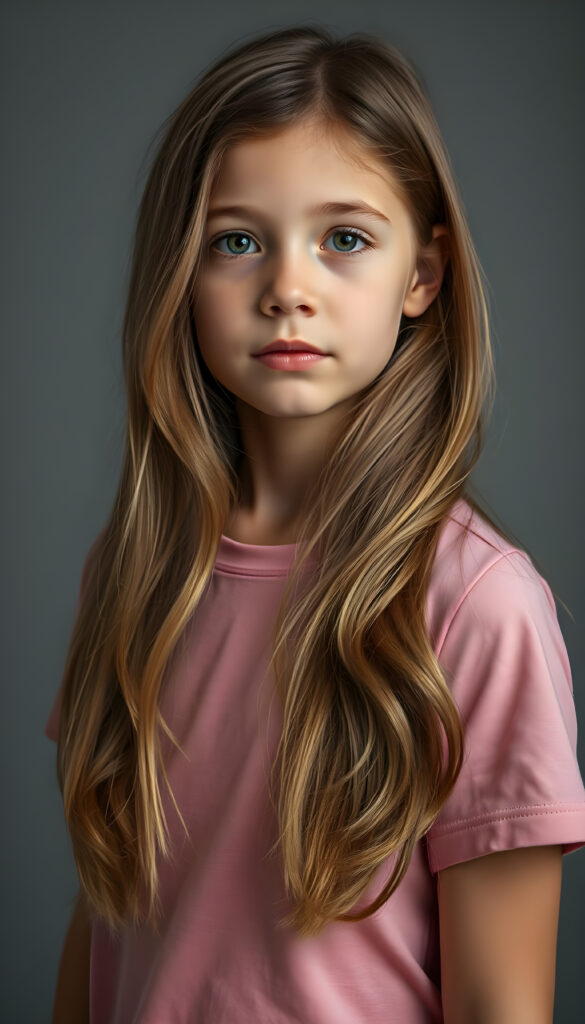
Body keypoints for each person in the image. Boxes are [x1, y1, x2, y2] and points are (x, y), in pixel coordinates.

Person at [45, 24, 585, 1024]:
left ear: (422, 277)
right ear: (182, 274)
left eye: (345, 239)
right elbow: (107, 925)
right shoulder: (131, 575)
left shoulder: (479, 607)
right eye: (237, 239)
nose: (287, 288)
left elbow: (505, 1004)